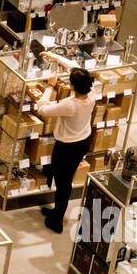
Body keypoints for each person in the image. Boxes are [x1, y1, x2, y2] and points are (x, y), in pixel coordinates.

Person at [36, 65, 98, 234]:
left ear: (72, 86)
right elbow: (77, 69)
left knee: (63, 182)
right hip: (82, 142)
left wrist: (50, 86)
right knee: (64, 177)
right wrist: (57, 59)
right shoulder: (92, 94)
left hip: (67, 147)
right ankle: (57, 211)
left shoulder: (70, 105)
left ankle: (57, 221)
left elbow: (42, 109)